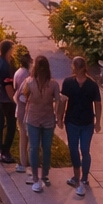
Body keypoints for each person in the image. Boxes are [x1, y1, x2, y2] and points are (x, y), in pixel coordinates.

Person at [59, 55, 102, 197]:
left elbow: (98, 104)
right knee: (72, 149)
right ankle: (76, 176)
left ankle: (84, 179)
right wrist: (59, 118)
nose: (75, 69)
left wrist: (98, 122)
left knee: (85, 149)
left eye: (77, 67)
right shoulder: (68, 83)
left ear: (83, 68)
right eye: (74, 67)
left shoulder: (92, 85)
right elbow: (63, 101)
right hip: (71, 121)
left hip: (87, 123)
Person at [21, 55, 62, 193]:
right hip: (48, 120)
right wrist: (57, 116)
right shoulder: (54, 84)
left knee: (33, 148)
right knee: (46, 148)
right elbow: (58, 101)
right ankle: (44, 174)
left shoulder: (29, 83)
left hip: (32, 119)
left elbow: (24, 98)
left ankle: (34, 176)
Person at [0, 39, 18, 164]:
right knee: (11, 125)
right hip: (6, 99)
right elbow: (8, 86)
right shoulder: (5, 66)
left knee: (0, 121)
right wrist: (15, 100)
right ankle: (5, 152)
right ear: (8, 50)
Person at [12, 45, 34, 173]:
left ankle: (22, 162)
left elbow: (15, 88)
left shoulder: (17, 73)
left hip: (20, 108)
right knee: (31, 136)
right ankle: (31, 161)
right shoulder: (29, 76)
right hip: (29, 108)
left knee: (22, 135)